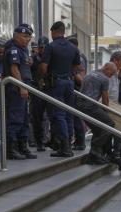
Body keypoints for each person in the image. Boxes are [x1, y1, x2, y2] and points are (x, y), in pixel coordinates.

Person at [40, 21, 81, 157]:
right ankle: (68, 142)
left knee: (59, 115)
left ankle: (64, 146)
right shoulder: (73, 48)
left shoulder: (50, 47)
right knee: (68, 114)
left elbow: (44, 67)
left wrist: (43, 78)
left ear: (54, 31)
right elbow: (76, 68)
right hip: (69, 83)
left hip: (56, 83)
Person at [76, 62, 121, 166]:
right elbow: (105, 99)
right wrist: (106, 112)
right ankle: (94, 150)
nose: (111, 76)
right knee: (109, 125)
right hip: (90, 105)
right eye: (111, 74)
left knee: (98, 129)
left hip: (79, 104)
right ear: (107, 68)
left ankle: (93, 156)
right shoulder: (104, 79)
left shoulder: (90, 74)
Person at [2, 25, 37, 160]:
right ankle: (11, 149)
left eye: (29, 37)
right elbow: (14, 69)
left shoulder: (22, 49)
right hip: (16, 89)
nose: (27, 39)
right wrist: (22, 87)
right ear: (16, 36)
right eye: (24, 36)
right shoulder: (13, 49)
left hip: (23, 87)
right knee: (15, 118)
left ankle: (22, 147)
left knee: (24, 119)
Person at [29, 36, 50, 152]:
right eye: (40, 48)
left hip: (50, 90)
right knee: (37, 117)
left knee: (53, 116)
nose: (42, 50)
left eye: (44, 48)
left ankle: (51, 140)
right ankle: (39, 142)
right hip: (37, 90)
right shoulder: (33, 58)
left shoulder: (51, 58)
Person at [67, 36, 87, 151]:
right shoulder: (77, 56)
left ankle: (80, 141)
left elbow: (81, 77)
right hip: (74, 89)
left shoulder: (78, 57)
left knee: (75, 116)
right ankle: (78, 141)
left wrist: (73, 74)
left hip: (76, 90)